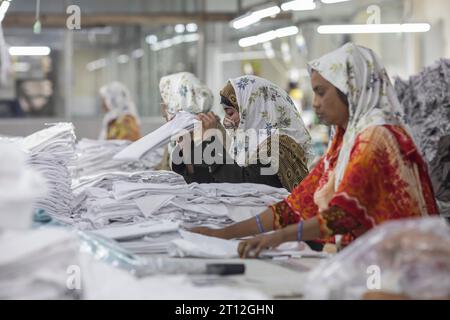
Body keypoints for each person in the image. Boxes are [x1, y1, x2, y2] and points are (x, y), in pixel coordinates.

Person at [192, 43, 439, 257]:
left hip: (401, 264)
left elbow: (344, 214)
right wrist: (223, 234)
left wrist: (276, 238)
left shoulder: (376, 137)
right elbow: (294, 205)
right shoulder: (345, 139)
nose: (316, 103)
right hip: (368, 256)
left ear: (350, 91)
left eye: (321, 93)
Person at [172, 75, 313, 192]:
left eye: (231, 113)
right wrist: (187, 147)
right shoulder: (243, 144)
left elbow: (244, 187)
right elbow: (214, 184)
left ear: (253, 109)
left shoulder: (279, 146)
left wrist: (211, 141)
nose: (227, 120)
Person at [155, 72, 214, 171]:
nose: (163, 112)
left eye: (166, 100)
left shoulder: (202, 131)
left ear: (178, 102)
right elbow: (164, 166)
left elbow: (197, 177)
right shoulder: (176, 132)